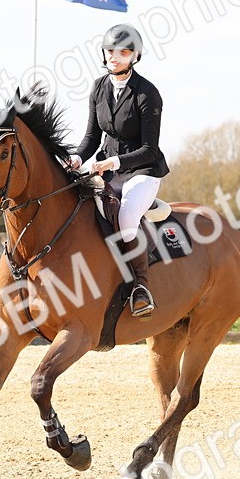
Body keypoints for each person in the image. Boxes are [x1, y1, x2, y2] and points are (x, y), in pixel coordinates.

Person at [69, 23, 170, 319]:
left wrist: (112, 163)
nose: (115, 56)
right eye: (111, 51)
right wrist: (75, 159)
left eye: (123, 52)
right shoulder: (99, 87)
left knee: (126, 216)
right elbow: (91, 138)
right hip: (108, 171)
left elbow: (150, 149)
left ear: (134, 56)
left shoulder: (147, 93)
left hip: (143, 171)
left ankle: (141, 286)